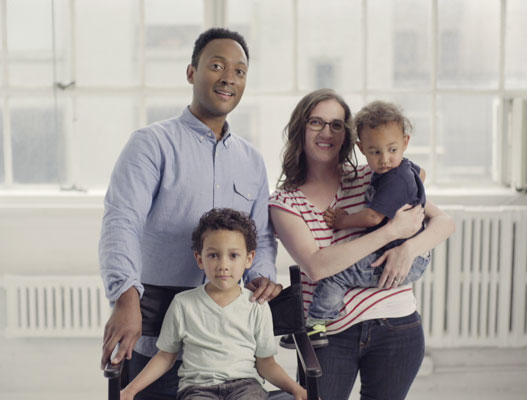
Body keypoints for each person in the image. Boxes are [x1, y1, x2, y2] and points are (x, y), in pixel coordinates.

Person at [99, 28, 280, 397]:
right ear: (191, 73)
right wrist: (125, 297)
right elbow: (122, 221)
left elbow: (260, 236)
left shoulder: (252, 161)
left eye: (240, 71)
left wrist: (261, 274)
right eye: (216, 65)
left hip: (228, 353)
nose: (229, 77)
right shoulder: (151, 144)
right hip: (154, 343)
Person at [269, 89, 455, 399]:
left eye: (337, 124)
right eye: (316, 122)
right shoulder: (285, 203)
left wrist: (407, 248)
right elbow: (317, 266)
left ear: (347, 135)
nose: (327, 132)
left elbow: (444, 222)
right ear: (300, 129)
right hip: (330, 335)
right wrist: (389, 232)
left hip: (397, 325)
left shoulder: (376, 173)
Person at [120, 208, 307, 400]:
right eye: (213, 255)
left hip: (246, 387)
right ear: (200, 259)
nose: (223, 264)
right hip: (197, 389)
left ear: (249, 259)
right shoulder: (183, 304)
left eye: (233, 255)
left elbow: (266, 363)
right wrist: (131, 390)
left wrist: (297, 390)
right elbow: (165, 357)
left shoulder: (256, 305)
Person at [305, 100, 430, 339]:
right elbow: (422, 173)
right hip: (409, 253)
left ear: (405, 143)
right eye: (375, 152)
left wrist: (342, 221)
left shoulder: (395, 179)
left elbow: (373, 217)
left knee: (336, 272)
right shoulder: (402, 168)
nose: (384, 159)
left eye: (392, 150)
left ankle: (317, 321)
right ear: (362, 149)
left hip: (402, 257)